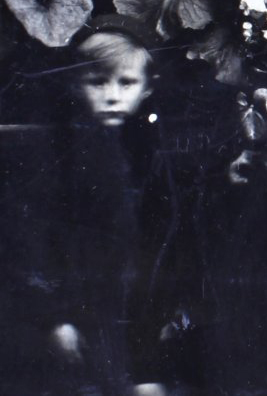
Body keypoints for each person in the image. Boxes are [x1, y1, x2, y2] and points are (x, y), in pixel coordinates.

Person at [0, 26, 202, 396]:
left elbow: (167, 230)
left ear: (148, 87)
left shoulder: (151, 148)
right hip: (77, 306)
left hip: (132, 306)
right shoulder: (61, 152)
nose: (112, 96)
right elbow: (33, 240)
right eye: (98, 82)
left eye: (126, 83)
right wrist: (54, 317)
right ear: (75, 85)